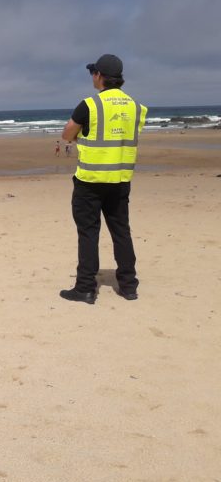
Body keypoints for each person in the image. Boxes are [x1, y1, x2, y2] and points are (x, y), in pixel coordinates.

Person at [59, 54, 147, 304]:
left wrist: (78, 137)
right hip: (120, 179)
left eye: (93, 73)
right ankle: (129, 286)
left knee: (88, 233)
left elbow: (67, 134)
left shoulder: (89, 105)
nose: (92, 77)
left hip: (90, 180)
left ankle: (85, 288)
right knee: (121, 231)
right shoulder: (135, 107)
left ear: (99, 76)